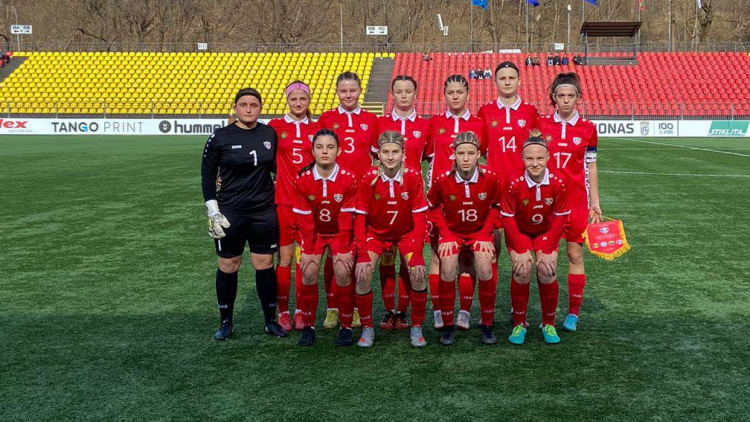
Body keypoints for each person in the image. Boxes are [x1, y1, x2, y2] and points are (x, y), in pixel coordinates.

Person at [201, 87, 288, 341]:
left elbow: (277, 168)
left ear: (260, 108)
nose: (249, 109)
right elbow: (207, 176)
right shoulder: (220, 137)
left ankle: (270, 321)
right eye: (243, 105)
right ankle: (226, 322)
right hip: (231, 213)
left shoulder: (269, 132)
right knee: (228, 265)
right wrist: (213, 209)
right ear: (235, 107)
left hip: (263, 212)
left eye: (254, 105)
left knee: (264, 265)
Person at [537, 72, 602, 332]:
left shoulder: (588, 129)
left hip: (576, 204)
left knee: (575, 254)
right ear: (553, 98)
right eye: (561, 96)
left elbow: (592, 166)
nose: (565, 101)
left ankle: (573, 313)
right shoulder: (541, 126)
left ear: (578, 98)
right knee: (547, 261)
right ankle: (547, 316)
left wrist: (595, 202)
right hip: (548, 204)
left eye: (570, 96)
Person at [478, 61, 540, 325]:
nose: (506, 82)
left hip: (521, 193)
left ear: (518, 80)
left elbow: (536, 149)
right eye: (501, 77)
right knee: (491, 253)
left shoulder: (529, 111)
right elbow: (479, 148)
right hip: (492, 193)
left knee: (520, 254)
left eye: (511, 77)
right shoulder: (485, 111)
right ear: (495, 81)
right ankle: (487, 315)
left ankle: (519, 315)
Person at [354, 131, 429, 348]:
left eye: (395, 152)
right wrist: (361, 256)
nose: (390, 157)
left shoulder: (413, 177)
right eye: (385, 152)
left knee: (418, 274)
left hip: (405, 234)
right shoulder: (368, 178)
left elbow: (420, 218)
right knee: (362, 274)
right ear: (378, 155)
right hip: (375, 235)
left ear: (403, 155)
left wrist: (416, 254)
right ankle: (368, 328)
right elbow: (360, 218)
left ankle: (416, 326)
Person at [427, 132, 503, 346]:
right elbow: (432, 208)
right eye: (461, 153)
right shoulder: (443, 180)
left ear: (479, 154)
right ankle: (448, 327)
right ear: (454, 155)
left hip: (479, 232)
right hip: (453, 233)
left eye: (471, 153)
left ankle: (487, 325)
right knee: (448, 266)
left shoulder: (490, 177)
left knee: (485, 266)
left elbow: (497, 207)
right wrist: (447, 233)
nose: (466, 158)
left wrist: (485, 233)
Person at [317, 71, 379, 329]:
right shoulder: (328, 118)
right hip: (334, 196)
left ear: (359, 91)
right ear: (337, 92)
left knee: (356, 251)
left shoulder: (371, 120)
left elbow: (377, 157)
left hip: (363, 196)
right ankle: (333, 307)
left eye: (353, 90)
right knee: (334, 252)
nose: (348, 95)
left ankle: (354, 307)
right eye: (344, 91)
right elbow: (319, 155)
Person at [426, 74, 486, 330]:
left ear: (468, 94)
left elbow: (485, 161)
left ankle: (464, 312)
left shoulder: (480, 124)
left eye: (459, 92)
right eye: (450, 92)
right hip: (442, 200)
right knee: (439, 256)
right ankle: (440, 310)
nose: (455, 96)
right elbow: (429, 161)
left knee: (468, 260)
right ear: (444, 95)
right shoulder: (435, 123)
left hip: (471, 200)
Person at [375, 75, 433, 331]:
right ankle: (389, 310)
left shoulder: (425, 125)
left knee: (409, 258)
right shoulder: (381, 123)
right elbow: (372, 162)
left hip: (413, 201)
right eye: (399, 91)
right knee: (387, 255)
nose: (403, 96)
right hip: (385, 200)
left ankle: (404, 311)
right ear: (392, 94)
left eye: (408, 91)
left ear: (415, 94)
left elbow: (431, 161)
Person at [501, 135, 570, 345]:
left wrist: (548, 247)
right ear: (522, 158)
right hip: (519, 232)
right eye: (529, 158)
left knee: (547, 270)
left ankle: (548, 323)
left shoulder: (559, 181)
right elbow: (508, 219)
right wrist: (521, 249)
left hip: (545, 233)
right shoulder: (513, 182)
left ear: (548, 157)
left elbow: (560, 218)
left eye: (540, 158)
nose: (535, 163)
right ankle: (519, 323)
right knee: (522, 270)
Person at [293, 129, 359, 347]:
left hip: (340, 233)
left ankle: (346, 326)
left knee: (342, 270)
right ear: (312, 150)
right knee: (309, 270)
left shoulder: (349, 178)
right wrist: (309, 251)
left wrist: (343, 249)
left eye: (330, 147)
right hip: (315, 234)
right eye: (319, 147)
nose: (324, 152)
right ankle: (309, 327)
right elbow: (305, 220)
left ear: (339, 150)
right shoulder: (302, 180)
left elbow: (346, 218)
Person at [267, 80, 319, 332]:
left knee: (305, 260)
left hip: (310, 206)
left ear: (309, 100)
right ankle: (283, 312)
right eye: (293, 99)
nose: (298, 103)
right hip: (284, 204)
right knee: (285, 259)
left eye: (303, 99)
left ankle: (301, 311)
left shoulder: (319, 128)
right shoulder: (275, 127)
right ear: (287, 100)